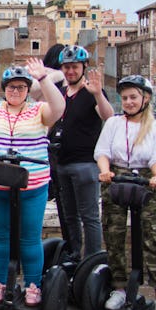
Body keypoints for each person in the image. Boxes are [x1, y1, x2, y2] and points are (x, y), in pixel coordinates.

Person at [0, 58, 65, 307]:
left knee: (30, 238)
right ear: (4, 88)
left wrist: (43, 78)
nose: (16, 91)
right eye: (12, 87)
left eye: (21, 87)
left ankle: (33, 285)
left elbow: (58, 108)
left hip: (32, 184)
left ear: (27, 90)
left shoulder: (38, 110)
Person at [95, 75, 156, 310]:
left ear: (145, 98)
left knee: (152, 236)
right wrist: (105, 171)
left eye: (133, 97)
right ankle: (119, 288)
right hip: (115, 179)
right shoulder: (114, 124)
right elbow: (103, 151)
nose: (128, 102)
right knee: (114, 234)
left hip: (145, 179)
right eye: (125, 98)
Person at [50, 45, 114, 261]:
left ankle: (93, 260)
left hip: (85, 163)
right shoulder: (61, 93)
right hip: (62, 162)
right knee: (69, 216)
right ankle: (75, 255)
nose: (70, 72)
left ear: (84, 67)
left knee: (89, 216)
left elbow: (108, 116)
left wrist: (98, 95)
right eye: (66, 67)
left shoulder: (92, 92)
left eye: (75, 67)